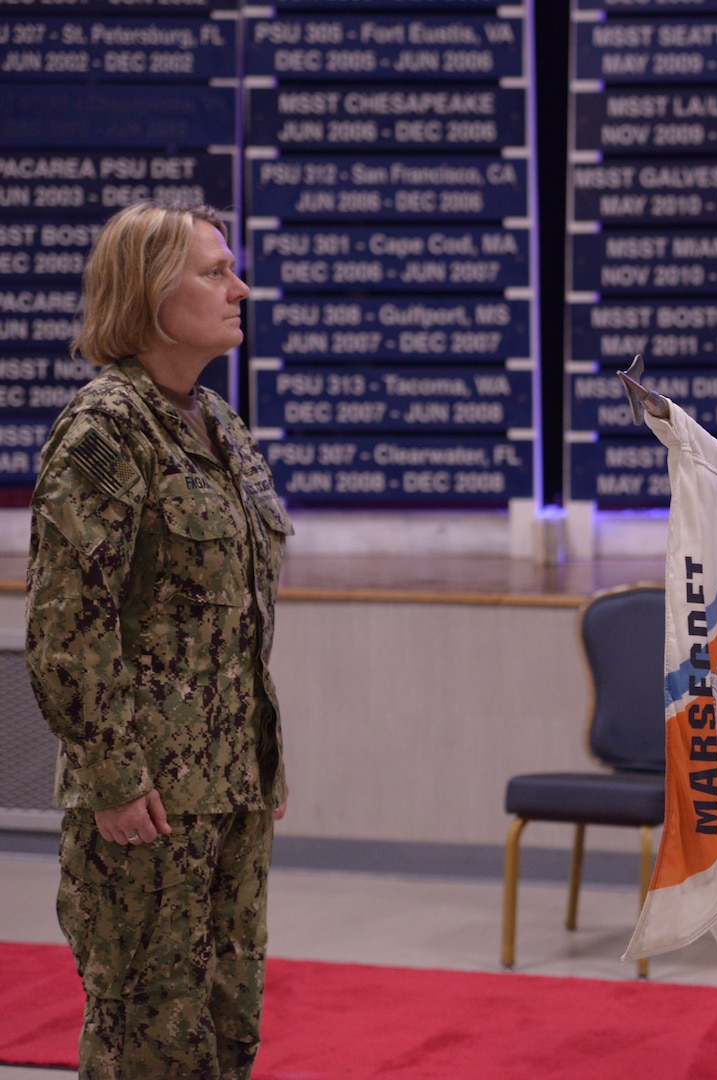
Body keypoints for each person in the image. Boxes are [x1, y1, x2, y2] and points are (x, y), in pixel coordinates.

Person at [26, 201, 292, 1079]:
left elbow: (238, 621)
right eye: (214, 271)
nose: (239, 287)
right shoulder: (106, 429)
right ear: (147, 293)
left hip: (228, 790)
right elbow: (69, 627)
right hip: (146, 803)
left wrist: (263, 761)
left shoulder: (214, 421)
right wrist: (111, 777)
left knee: (227, 1030)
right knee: (151, 1038)